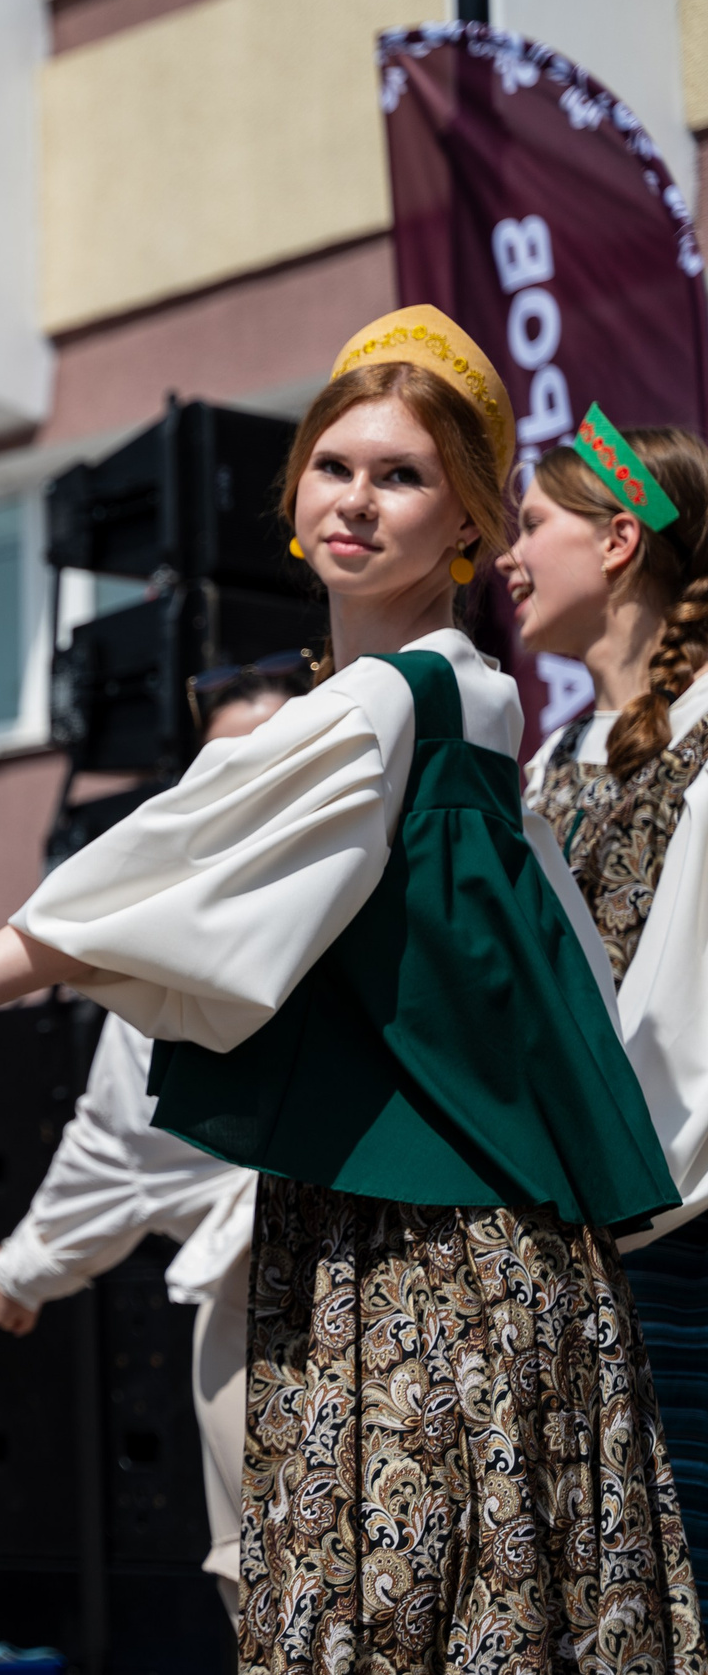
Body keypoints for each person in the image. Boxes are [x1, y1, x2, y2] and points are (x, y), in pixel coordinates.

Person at [0, 306, 699, 1671]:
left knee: (391, 1618)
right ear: (292, 501)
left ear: (467, 520)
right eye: (334, 466)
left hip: (415, 1262)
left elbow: (108, 901)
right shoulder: (484, 710)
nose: (355, 497)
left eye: (400, 474)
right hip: (496, 1254)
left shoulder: (384, 711)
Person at [0, 669, 298, 1619]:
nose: (260, 775)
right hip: (279, 1305)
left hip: (433, 1282)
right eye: (229, 760)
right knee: (280, 1585)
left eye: (285, 750)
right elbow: (113, 1155)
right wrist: (14, 1272)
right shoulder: (167, 960)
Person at [508, 411, 708, 1550]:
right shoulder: (550, 760)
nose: (509, 554)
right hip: (585, 1246)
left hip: (676, 1237)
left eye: (534, 522)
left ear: (619, 537)